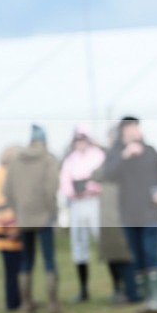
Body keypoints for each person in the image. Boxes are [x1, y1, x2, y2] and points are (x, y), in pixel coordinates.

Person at [104, 116, 157, 313]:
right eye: (131, 127)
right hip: (128, 214)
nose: (135, 131)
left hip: (150, 211)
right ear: (123, 131)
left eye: (137, 127)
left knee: (151, 252)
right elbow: (108, 175)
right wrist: (124, 156)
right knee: (137, 256)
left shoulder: (150, 151)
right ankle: (146, 297)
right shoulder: (116, 154)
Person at [5, 124, 61, 313]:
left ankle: (26, 304)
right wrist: (53, 212)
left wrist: (18, 210)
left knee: (26, 260)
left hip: (23, 217)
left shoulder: (15, 161)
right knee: (49, 260)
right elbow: (51, 189)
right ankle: (53, 304)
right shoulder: (48, 159)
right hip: (44, 216)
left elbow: (7, 191)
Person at [91, 126, 137, 304]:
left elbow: (98, 174)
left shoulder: (118, 156)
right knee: (119, 253)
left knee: (123, 253)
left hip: (118, 212)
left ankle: (130, 291)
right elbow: (97, 174)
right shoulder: (117, 155)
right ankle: (126, 290)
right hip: (113, 212)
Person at [59, 124, 105, 302]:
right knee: (79, 243)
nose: (80, 143)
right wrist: (72, 190)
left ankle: (118, 285)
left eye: (83, 139)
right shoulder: (71, 159)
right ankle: (83, 289)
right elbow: (65, 180)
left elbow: (103, 178)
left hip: (94, 201)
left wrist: (90, 186)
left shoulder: (98, 156)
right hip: (77, 203)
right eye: (77, 140)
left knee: (103, 240)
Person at [0, 146, 23, 312]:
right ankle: (13, 302)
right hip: (7, 230)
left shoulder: (2, 173)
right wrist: (13, 228)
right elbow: (3, 206)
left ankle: (17, 299)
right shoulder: (0, 176)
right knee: (12, 269)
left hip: (7, 228)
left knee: (15, 268)